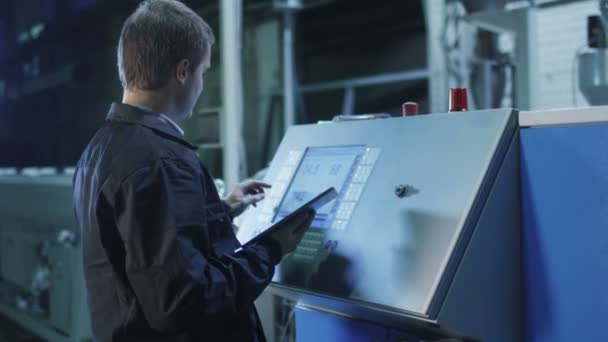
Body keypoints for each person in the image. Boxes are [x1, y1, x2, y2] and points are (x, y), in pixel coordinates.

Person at [72, 1, 314, 341]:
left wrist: (220, 210)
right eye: (202, 72)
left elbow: (143, 242)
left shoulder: (99, 149)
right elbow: (186, 302)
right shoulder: (161, 159)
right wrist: (270, 249)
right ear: (182, 71)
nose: (200, 84)